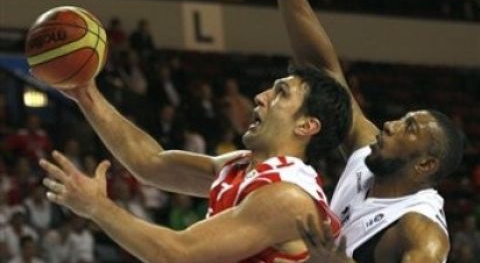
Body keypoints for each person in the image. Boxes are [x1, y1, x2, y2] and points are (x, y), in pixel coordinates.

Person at [248, 0, 464, 262]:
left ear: (425, 164)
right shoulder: (367, 159)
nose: (389, 125)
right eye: (401, 119)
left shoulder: (421, 231)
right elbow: (322, 74)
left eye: (409, 128)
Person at [39, 66, 352, 263]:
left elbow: (177, 254)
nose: (259, 97)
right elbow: (148, 163)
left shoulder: (287, 198)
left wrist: (98, 208)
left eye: (281, 93)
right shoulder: (242, 167)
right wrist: (86, 94)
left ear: (307, 126)